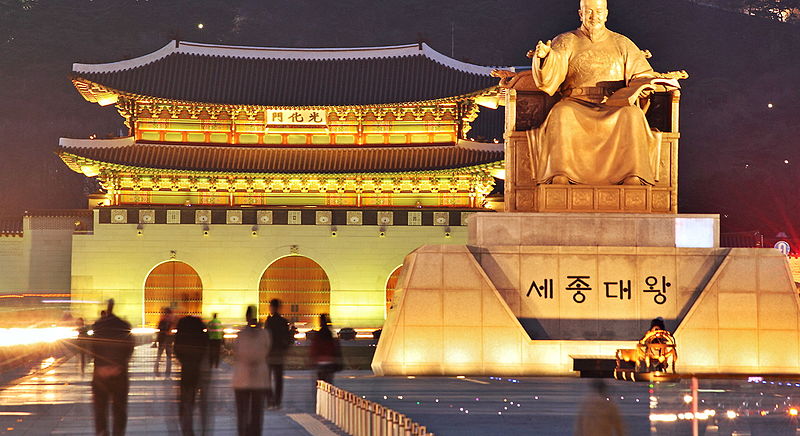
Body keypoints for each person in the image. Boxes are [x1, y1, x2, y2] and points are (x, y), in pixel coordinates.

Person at [527, 0, 673, 186]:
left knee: (632, 114)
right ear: (580, 14)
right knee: (561, 113)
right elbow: (552, 73)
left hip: (614, 103)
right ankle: (560, 174)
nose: (593, 16)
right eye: (588, 12)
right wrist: (546, 56)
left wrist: (643, 86)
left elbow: (641, 74)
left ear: (606, 14)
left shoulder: (623, 43)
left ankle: (632, 175)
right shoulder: (566, 40)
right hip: (576, 102)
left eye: (598, 12)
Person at [90, 299, 134, 436]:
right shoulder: (124, 325)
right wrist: (119, 365)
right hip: (119, 374)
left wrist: (102, 366)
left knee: (100, 410)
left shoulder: (97, 326)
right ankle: (118, 432)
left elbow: (92, 348)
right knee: (119, 408)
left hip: (101, 374)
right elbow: (129, 347)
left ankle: (102, 432)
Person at [232, 306, 271, 436]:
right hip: (259, 379)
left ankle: (242, 433)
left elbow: (237, 353)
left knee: (242, 413)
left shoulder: (241, 335)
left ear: (246, 317)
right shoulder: (264, 335)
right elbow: (267, 351)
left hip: (242, 379)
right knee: (256, 414)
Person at [174, 314, 210, 436]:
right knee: (199, 399)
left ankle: (187, 429)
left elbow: (177, 349)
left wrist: (183, 360)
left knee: (187, 399)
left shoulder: (182, 333)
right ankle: (202, 429)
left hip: (187, 369)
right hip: (199, 369)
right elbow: (206, 345)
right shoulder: (201, 332)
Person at [264, 299, 291, 409]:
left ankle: (270, 400)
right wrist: (284, 349)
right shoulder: (283, 321)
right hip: (279, 354)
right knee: (279, 379)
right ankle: (277, 401)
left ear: (272, 307)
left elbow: (266, 337)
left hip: (269, 354)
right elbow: (288, 338)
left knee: (267, 379)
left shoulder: (269, 322)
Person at [309, 313, 342, 385]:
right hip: (330, 361)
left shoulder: (318, 334)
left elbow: (315, 347)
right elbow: (334, 346)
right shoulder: (330, 334)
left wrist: (312, 359)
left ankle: (321, 393)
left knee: (321, 382)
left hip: (320, 361)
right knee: (329, 382)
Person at [155, 307, 176, 376]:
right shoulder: (163, 322)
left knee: (168, 356)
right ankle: (157, 368)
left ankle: (167, 371)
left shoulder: (169, 322)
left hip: (167, 340)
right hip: (163, 340)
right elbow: (160, 330)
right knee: (161, 355)